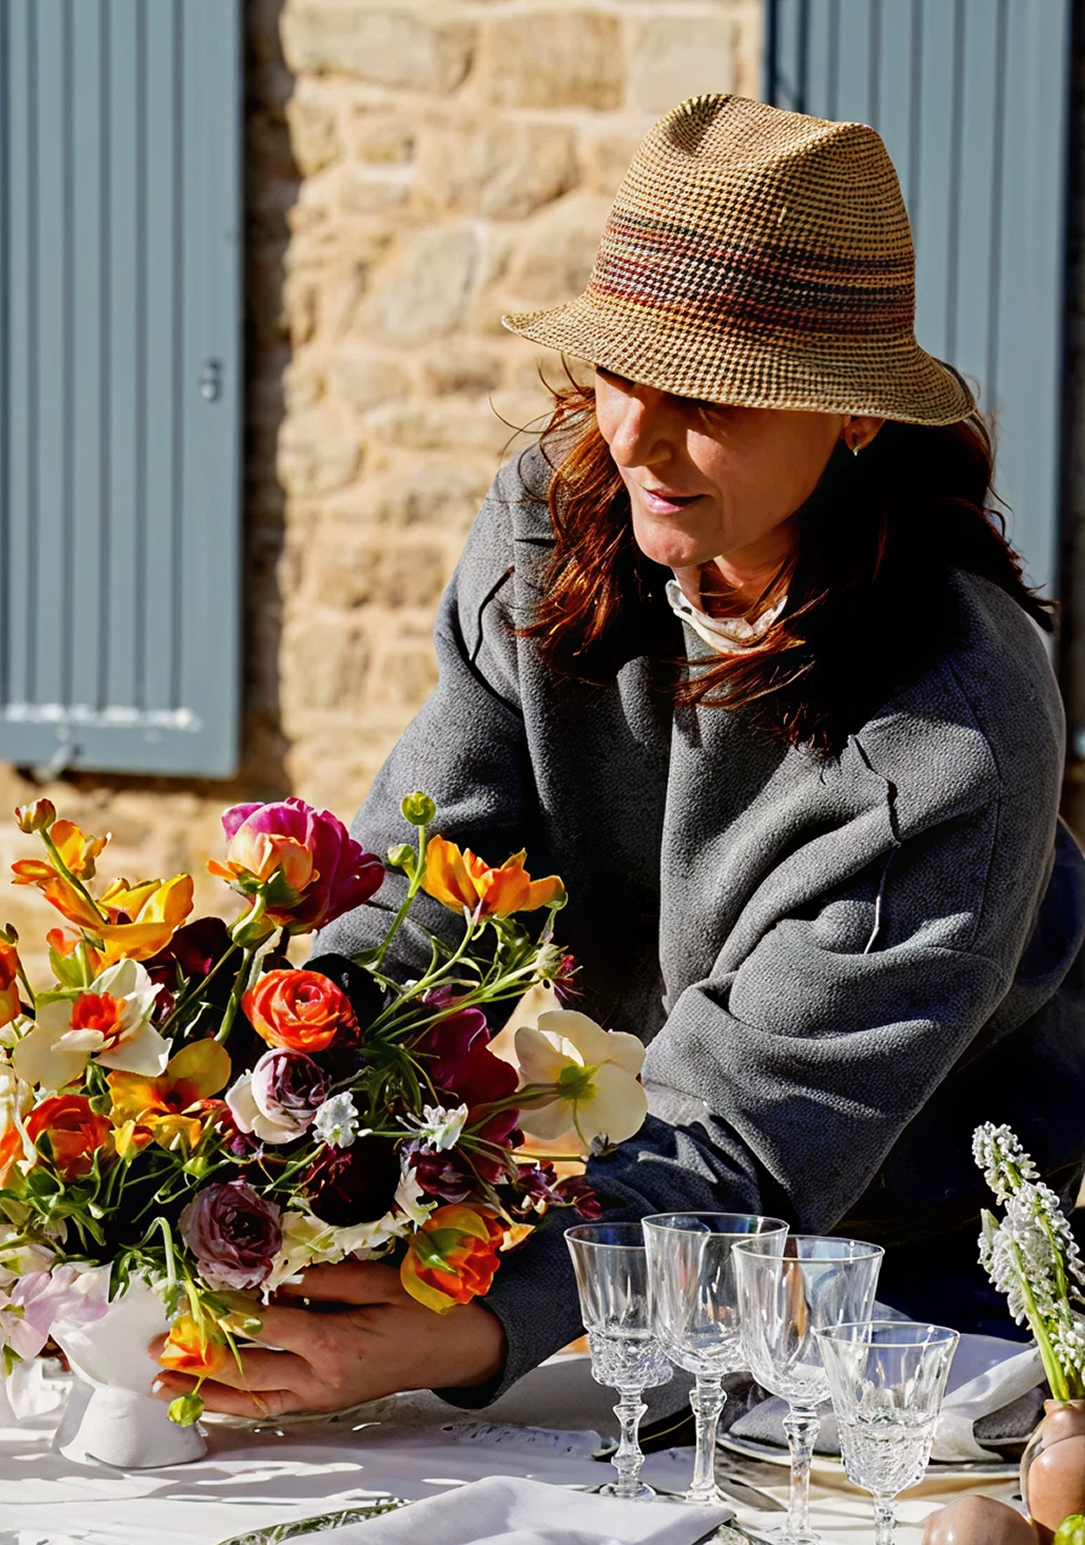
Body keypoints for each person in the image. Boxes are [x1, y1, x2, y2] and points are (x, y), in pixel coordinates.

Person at [153, 93, 1085, 1422]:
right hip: (638, 1258)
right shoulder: (553, 530)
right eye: (620, 370)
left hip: (907, 1332)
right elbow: (424, 902)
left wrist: (461, 1328)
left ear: (855, 418)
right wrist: (237, 1123)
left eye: (707, 396)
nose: (637, 438)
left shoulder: (954, 733)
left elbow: (751, 1138)